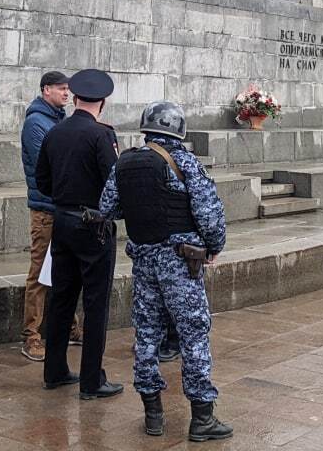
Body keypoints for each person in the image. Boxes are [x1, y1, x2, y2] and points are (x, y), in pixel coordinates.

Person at [99, 101, 232, 441]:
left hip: (143, 261)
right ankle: (202, 418)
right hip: (180, 263)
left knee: (146, 336)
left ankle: (153, 415)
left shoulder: (124, 163)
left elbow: (108, 208)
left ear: (147, 128)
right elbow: (209, 215)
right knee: (194, 335)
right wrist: (214, 246)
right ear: (178, 130)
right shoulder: (185, 162)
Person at [34, 68, 122, 400]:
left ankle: (54, 371)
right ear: (102, 100)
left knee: (62, 298)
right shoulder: (101, 135)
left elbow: (42, 181)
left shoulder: (55, 132)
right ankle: (91, 380)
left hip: (62, 221)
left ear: (77, 97)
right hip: (93, 225)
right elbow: (113, 183)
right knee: (95, 302)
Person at [19, 70, 82, 361]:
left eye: (68, 89)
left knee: (64, 270)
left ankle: (69, 326)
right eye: (61, 89)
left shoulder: (58, 121)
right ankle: (31, 336)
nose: (66, 94)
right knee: (39, 276)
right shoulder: (36, 123)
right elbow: (51, 162)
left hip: (63, 207)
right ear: (46, 90)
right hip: (45, 209)